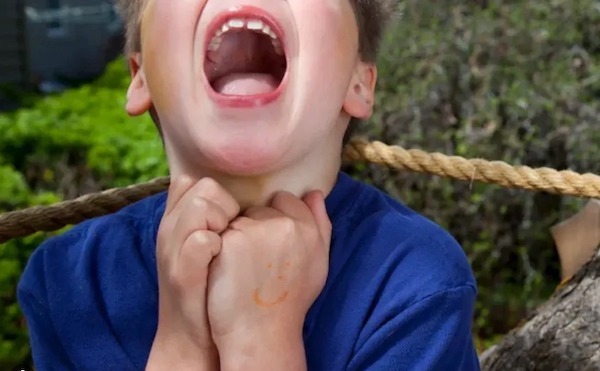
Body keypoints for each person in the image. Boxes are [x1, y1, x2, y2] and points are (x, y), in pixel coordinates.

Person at [18, 0, 481, 369]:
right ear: (140, 77)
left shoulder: (417, 285)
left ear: (359, 83)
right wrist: (182, 344)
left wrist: (262, 342)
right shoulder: (70, 285)